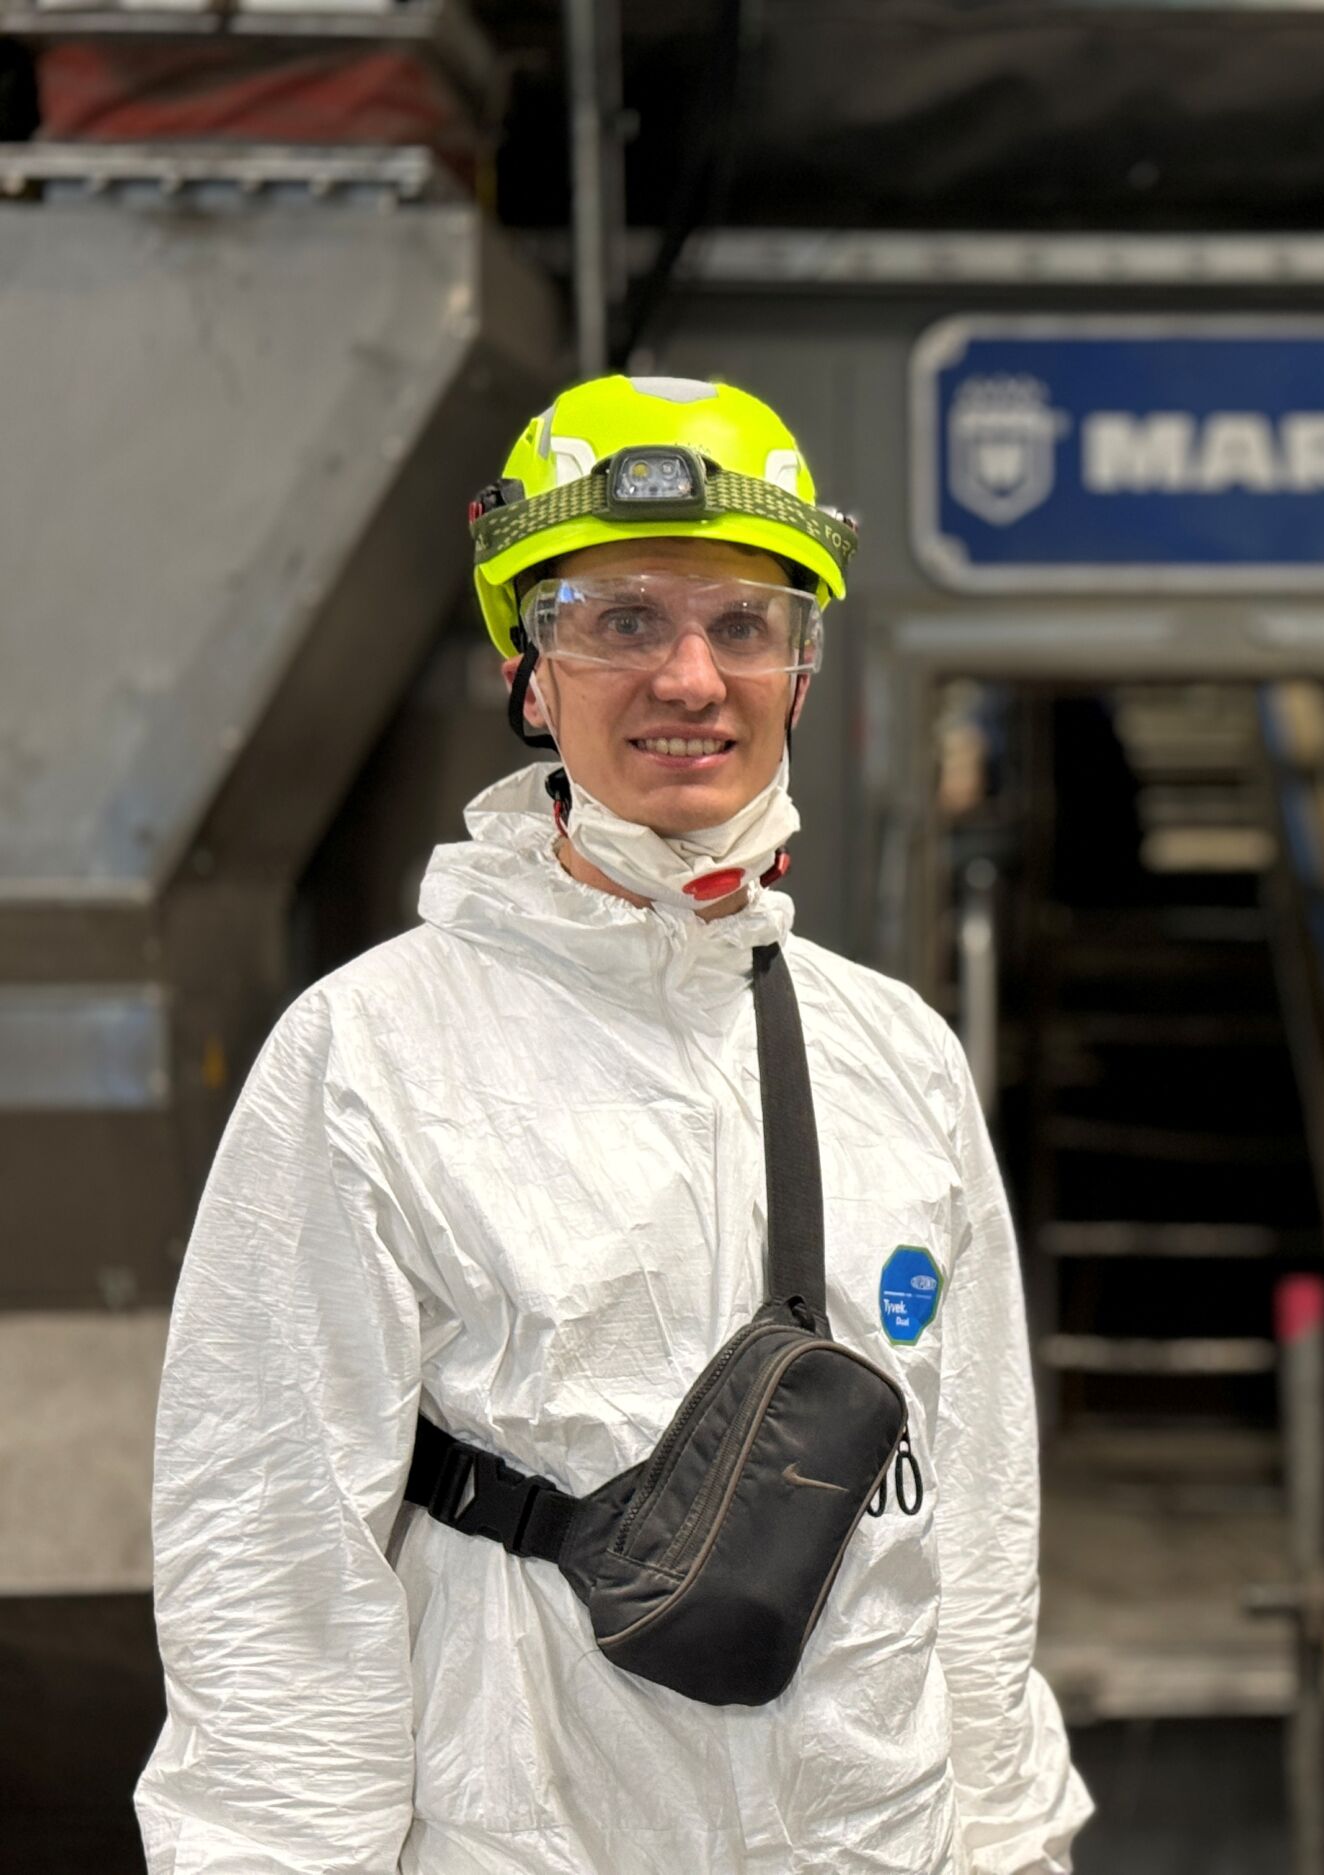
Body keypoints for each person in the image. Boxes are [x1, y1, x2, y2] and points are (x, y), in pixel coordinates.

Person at [137, 375, 1092, 1874]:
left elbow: (971, 1522)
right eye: (623, 620)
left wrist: (1006, 1840)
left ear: (802, 669)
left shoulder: (892, 1053)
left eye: (743, 626)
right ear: (534, 665)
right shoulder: (371, 1053)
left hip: (866, 1836)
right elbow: (270, 1561)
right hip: (536, 1836)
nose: (690, 678)